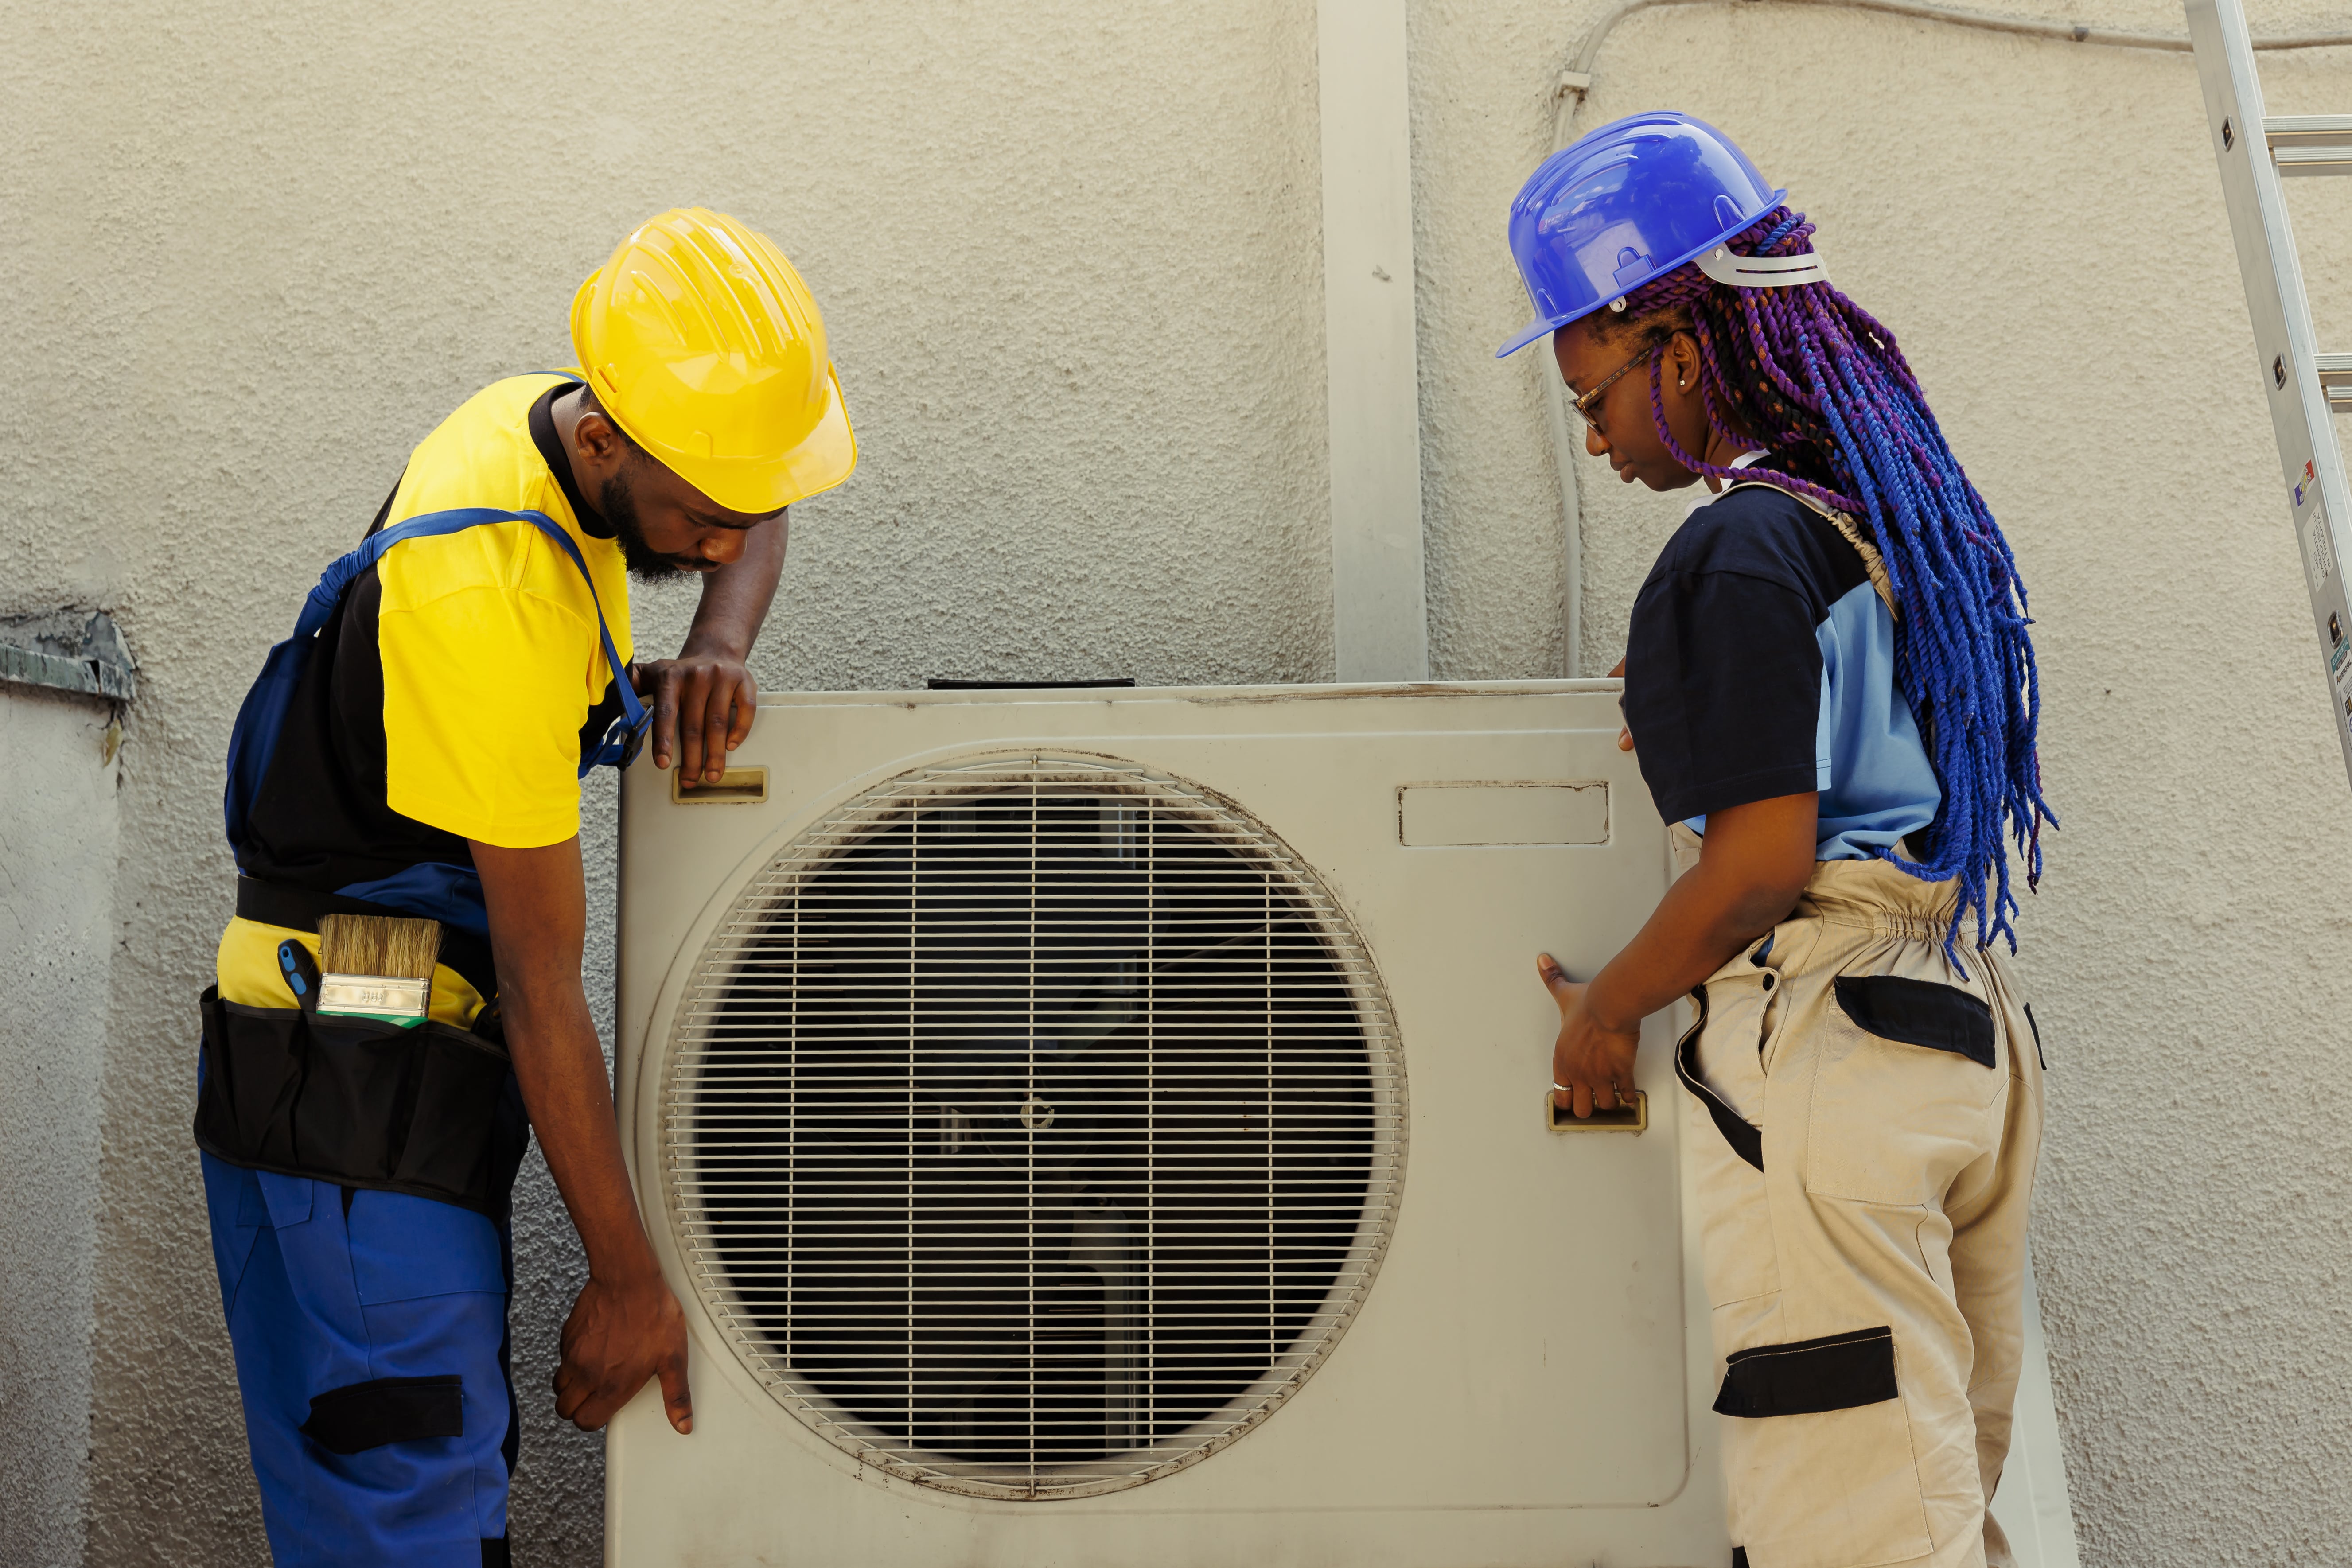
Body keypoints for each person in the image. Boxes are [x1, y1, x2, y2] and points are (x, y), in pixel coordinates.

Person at [193, 207, 856, 1566]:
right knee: (406, 1496)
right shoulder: (481, 591)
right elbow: (551, 987)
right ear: (606, 445)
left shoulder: (568, 428)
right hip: (348, 1068)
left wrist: (718, 643)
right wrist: (624, 1283)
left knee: (440, 1482)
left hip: (409, 1045)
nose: (727, 544)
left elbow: (756, 485)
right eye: (700, 520)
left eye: (740, 513)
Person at [1499, 116, 2052, 1568]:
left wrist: (1605, 1011)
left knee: (1850, 1527)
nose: (1595, 434)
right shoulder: (1879, 518)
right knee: (1933, 1510)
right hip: (1959, 1033)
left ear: (1678, 343)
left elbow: (1754, 868)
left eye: (1594, 391)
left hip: (1833, 1057)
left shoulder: (1735, 545)